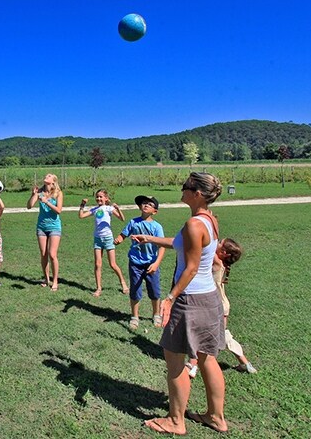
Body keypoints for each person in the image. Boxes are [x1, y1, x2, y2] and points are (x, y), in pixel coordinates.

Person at [132, 172, 228, 435]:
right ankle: (216, 417)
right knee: (207, 358)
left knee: (174, 361)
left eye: (186, 186)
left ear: (197, 193)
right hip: (209, 299)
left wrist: (170, 298)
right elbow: (180, 245)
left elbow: (192, 267)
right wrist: (149, 238)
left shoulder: (194, 225)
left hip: (190, 300)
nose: (181, 189)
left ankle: (176, 421)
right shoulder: (209, 220)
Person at [186, 238, 257, 377]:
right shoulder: (221, 262)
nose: (216, 243)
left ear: (223, 252)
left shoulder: (217, 262)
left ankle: (193, 366)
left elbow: (204, 245)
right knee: (221, 335)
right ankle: (245, 363)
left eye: (220, 243)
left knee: (201, 334)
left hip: (217, 306)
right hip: (221, 305)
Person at [115, 195, 166, 330]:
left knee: (154, 291)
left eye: (149, 204)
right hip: (135, 263)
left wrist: (156, 264)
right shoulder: (133, 222)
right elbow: (123, 234)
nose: (145, 205)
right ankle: (134, 317)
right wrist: (119, 239)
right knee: (135, 290)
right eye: (144, 203)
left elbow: (162, 246)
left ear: (154, 211)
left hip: (151, 264)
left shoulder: (157, 227)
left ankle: (156, 314)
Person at [78, 189, 127, 297]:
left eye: (101, 197)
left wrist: (118, 209)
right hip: (97, 239)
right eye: (97, 197)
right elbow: (81, 216)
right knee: (97, 264)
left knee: (113, 264)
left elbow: (122, 219)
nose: (99, 199)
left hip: (108, 238)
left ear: (106, 198)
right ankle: (99, 288)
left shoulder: (109, 209)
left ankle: (123, 284)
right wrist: (82, 205)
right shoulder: (95, 209)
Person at [27, 173, 64, 291]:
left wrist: (46, 201)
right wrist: (33, 195)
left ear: (53, 181)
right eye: (46, 175)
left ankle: (55, 280)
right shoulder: (39, 192)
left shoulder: (58, 193)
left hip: (54, 227)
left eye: (49, 176)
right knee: (43, 254)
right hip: (41, 227)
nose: (46, 176)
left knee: (52, 254)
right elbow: (29, 206)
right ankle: (46, 279)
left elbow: (59, 210)